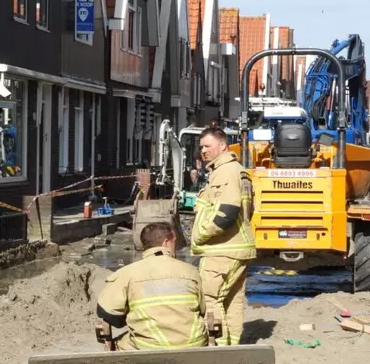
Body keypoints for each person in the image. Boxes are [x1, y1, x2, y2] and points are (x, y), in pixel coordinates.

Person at [96, 222, 208, 350]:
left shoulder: (127, 273)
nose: (175, 247)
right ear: (166, 242)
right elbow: (203, 309)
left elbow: (107, 312)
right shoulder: (191, 271)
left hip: (147, 348)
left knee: (117, 345)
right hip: (194, 345)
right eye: (174, 242)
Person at [190, 127, 256, 346]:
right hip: (238, 247)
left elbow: (226, 213)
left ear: (222, 146)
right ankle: (233, 346)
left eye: (207, 146)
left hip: (222, 249)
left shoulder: (225, 172)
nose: (203, 151)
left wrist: (200, 235)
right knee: (232, 300)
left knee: (209, 298)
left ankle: (218, 349)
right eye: (201, 147)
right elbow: (248, 209)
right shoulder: (237, 171)